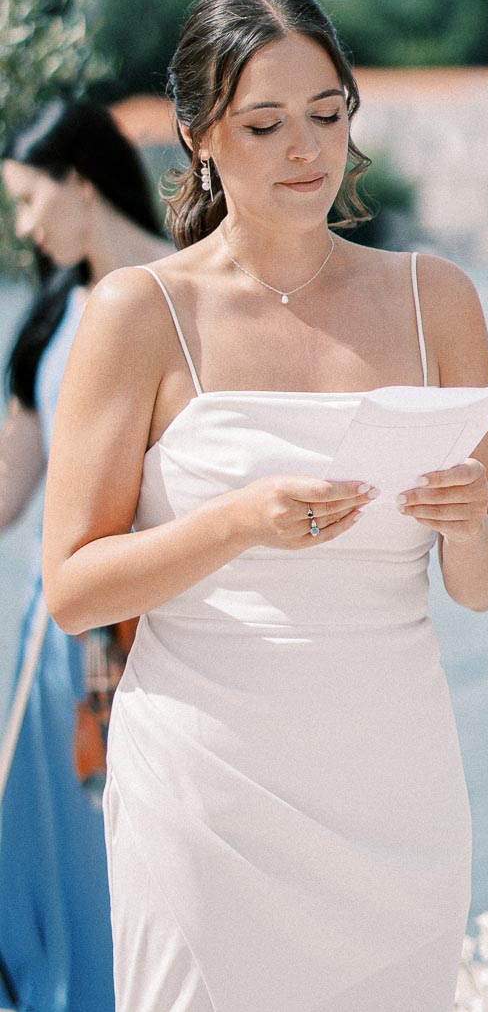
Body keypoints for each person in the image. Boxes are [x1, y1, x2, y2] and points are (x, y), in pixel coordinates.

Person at [41, 0, 488, 1012]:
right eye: (265, 124)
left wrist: (463, 519)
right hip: (207, 794)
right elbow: (73, 591)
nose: (307, 150)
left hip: (396, 793)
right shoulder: (139, 313)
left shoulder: (438, 300)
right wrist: (238, 524)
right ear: (198, 135)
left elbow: (487, 579)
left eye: (328, 115)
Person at [0, 96, 169, 1012]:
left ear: (78, 181)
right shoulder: (50, 319)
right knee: (56, 851)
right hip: (63, 638)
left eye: (29, 200)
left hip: (170, 625)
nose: (24, 226)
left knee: (152, 853)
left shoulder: (196, 287)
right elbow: (9, 492)